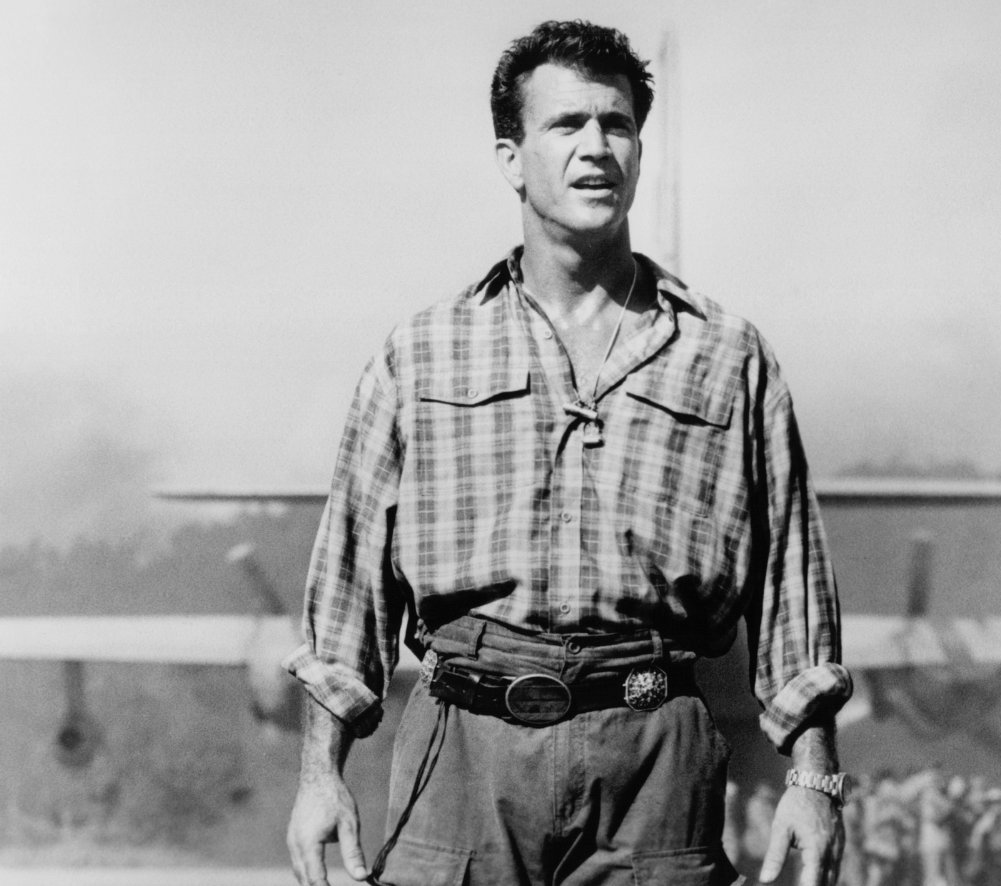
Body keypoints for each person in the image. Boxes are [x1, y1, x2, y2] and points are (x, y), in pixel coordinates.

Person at [282, 19, 853, 886]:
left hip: (655, 755)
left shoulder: (728, 356)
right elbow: (347, 588)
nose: (596, 148)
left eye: (617, 125)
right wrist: (320, 775)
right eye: (566, 125)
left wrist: (813, 779)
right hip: (463, 752)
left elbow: (793, 588)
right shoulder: (422, 353)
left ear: (639, 149)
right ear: (512, 159)